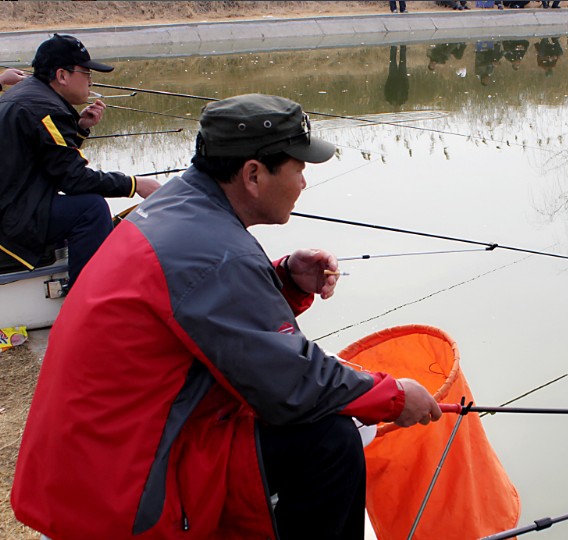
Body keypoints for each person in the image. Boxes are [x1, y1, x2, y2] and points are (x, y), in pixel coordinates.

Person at [11, 93, 444, 539]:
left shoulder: (180, 208)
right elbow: (290, 384)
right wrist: (395, 397)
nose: (303, 184)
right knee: (329, 443)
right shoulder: (213, 251)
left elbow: (210, 317)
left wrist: (285, 281)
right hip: (125, 497)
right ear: (253, 174)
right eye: (298, 169)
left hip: (90, 467)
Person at [0, 34, 160, 287]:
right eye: (86, 74)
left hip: (12, 204)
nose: (90, 81)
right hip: (11, 220)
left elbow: (51, 161)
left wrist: (80, 129)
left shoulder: (28, 94)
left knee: (84, 208)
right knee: (90, 209)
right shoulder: (46, 110)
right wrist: (135, 184)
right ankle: (87, 299)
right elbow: (72, 179)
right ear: (63, 76)